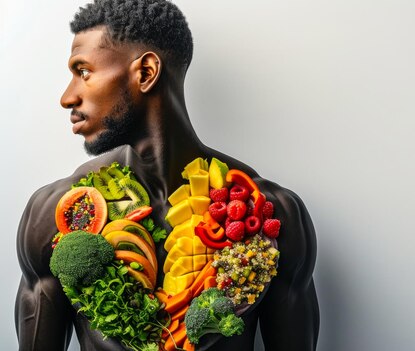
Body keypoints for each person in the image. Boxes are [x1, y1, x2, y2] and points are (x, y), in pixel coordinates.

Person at [14, 0, 320, 350]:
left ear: (145, 73)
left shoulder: (273, 215)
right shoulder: (51, 215)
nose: (67, 97)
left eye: (83, 71)